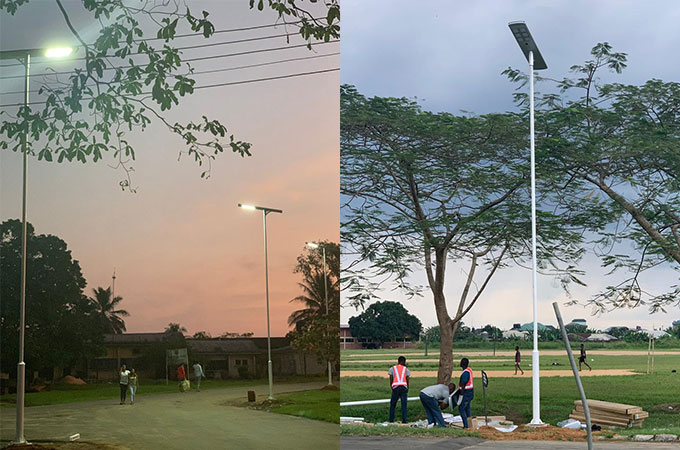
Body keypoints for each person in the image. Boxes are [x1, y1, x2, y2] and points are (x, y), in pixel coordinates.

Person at [388, 356, 410, 423]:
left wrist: (391, 386)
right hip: (403, 387)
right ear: (404, 361)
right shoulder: (406, 369)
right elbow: (407, 379)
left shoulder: (392, 368)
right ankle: (404, 420)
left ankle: (391, 420)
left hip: (395, 387)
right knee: (404, 405)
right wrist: (407, 388)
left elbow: (391, 378)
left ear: (398, 361)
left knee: (393, 404)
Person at [458, 358, 475, 429]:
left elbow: (463, 384)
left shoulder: (465, 373)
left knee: (461, 408)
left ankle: (466, 426)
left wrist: (461, 396)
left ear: (462, 364)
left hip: (466, 393)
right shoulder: (469, 370)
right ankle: (469, 425)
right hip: (470, 392)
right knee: (467, 408)